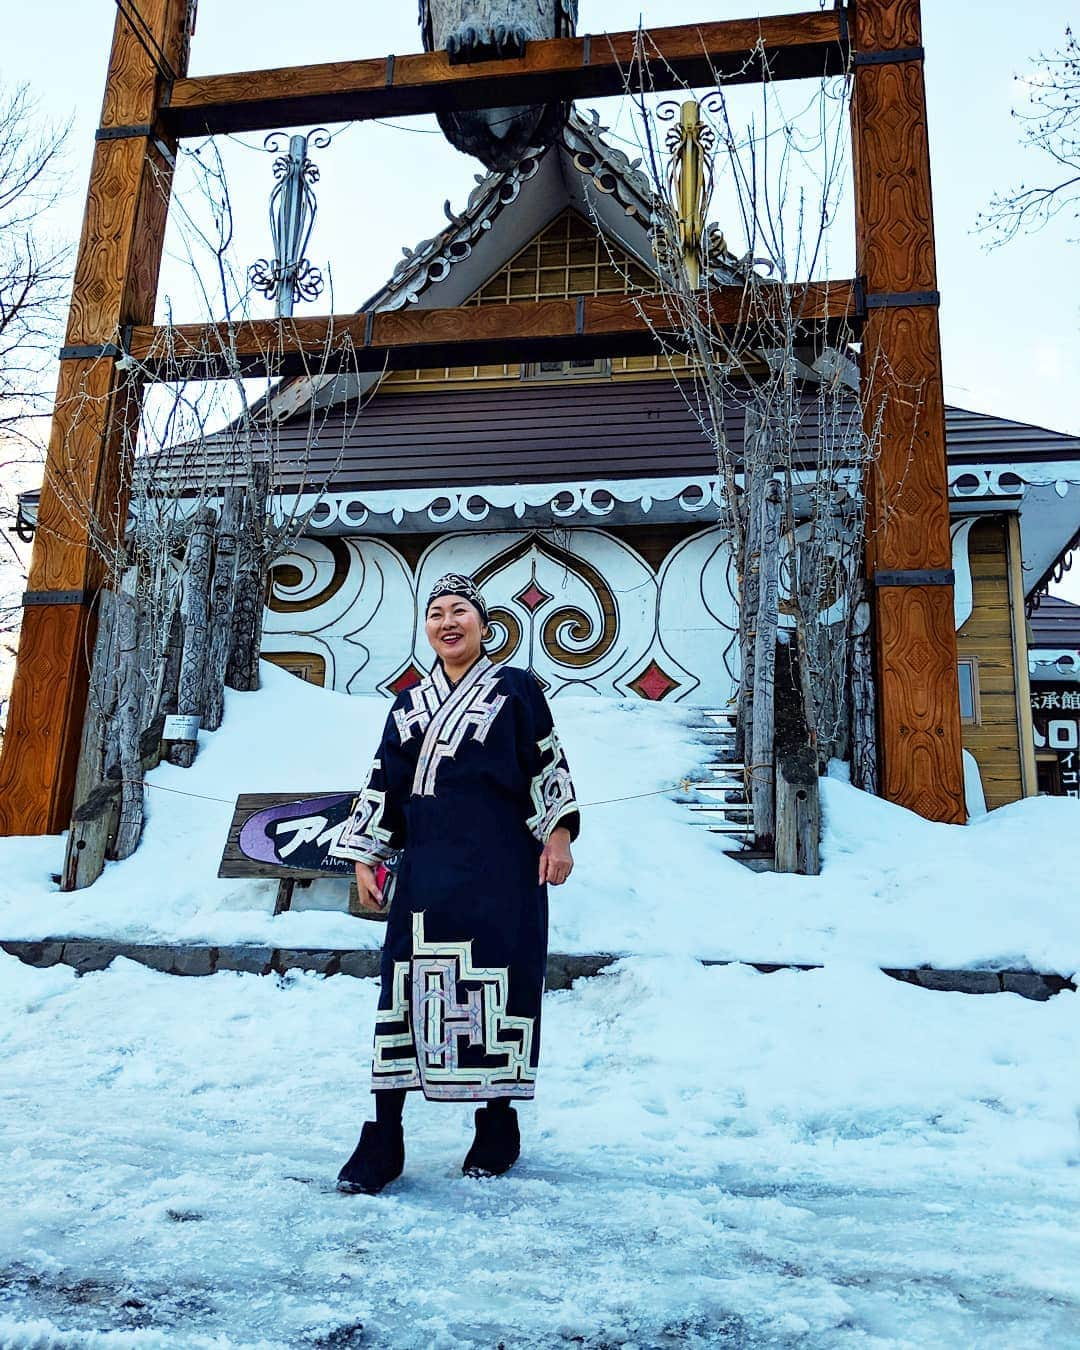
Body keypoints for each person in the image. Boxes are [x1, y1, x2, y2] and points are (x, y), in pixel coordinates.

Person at [329, 573, 579, 1194]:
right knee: (403, 992)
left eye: (459, 610)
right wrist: (367, 852)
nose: (447, 621)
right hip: (426, 874)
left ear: (483, 623)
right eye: (436, 612)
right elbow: (385, 777)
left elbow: (547, 762)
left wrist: (559, 834)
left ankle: (497, 1124)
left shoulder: (518, 690)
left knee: (499, 991)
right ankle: (383, 1135)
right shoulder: (409, 703)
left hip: (502, 870)